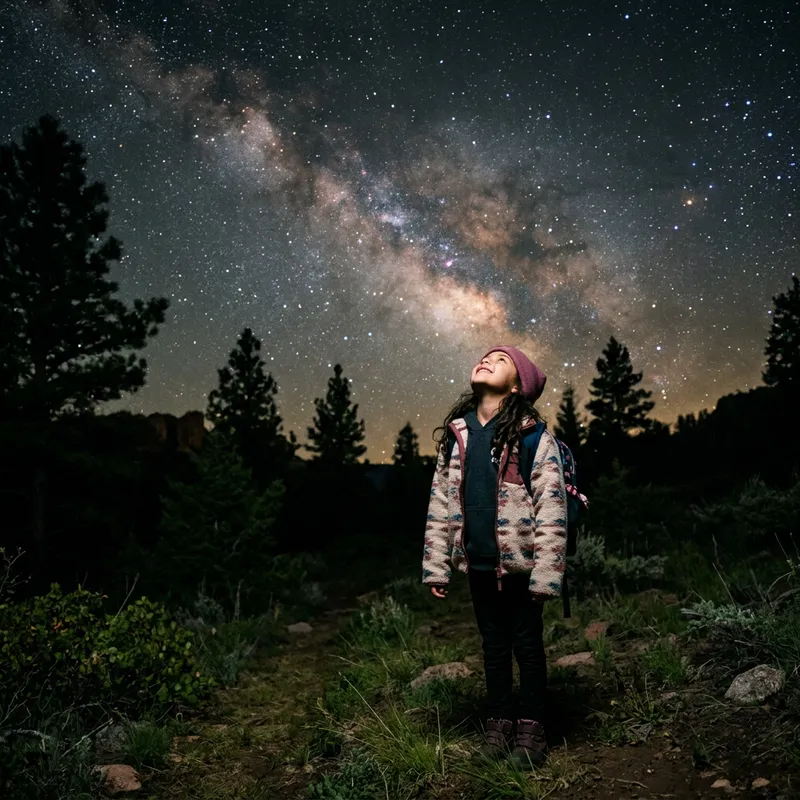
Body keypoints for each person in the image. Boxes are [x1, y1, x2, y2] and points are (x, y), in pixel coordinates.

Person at [422, 346, 567, 769]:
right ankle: (500, 724)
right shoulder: (458, 434)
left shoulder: (532, 435)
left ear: (518, 384)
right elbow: (439, 503)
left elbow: (552, 507)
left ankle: (532, 730)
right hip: (478, 564)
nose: (486, 360)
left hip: (521, 567)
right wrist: (436, 565)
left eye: (499, 360)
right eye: (484, 356)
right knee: (493, 647)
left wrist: (546, 574)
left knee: (527, 645)